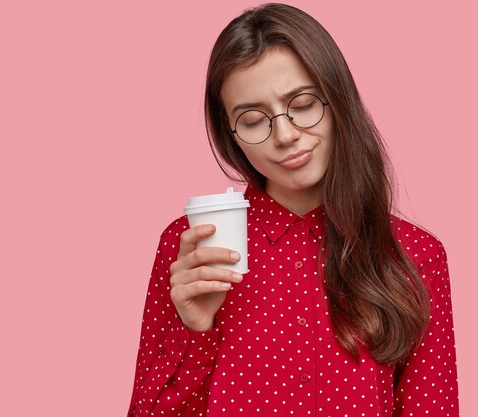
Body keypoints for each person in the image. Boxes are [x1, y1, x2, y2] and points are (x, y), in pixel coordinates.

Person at [127, 3, 459, 416]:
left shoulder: (415, 255)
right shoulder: (192, 249)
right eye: (252, 119)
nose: (284, 135)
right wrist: (195, 329)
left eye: (302, 104)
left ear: (337, 100)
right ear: (231, 133)